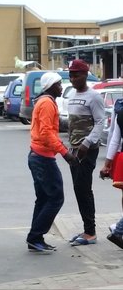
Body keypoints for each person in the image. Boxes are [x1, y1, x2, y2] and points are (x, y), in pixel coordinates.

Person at [26, 72, 76, 253]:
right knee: (56, 198)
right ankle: (35, 236)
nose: (61, 87)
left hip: (37, 155)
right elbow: (47, 133)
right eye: (59, 84)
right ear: (50, 86)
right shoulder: (47, 103)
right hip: (42, 158)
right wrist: (65, 153)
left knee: (44, 199)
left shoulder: (43, 101)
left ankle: (35, 238)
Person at [67, 59, 105, 246]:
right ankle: (86, 228)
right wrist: (70, 148)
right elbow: (73, 125)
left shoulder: (94, 97)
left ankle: (91, 232)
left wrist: (86, 144)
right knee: (78, 189)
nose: (73, 78)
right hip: (74, 149)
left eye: (76, 75)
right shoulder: (72, 95)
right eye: (71, 75)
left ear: (85, 75)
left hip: (87, 151)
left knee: (84, 189)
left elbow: (100, 122)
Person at [100, 105, 123, 248]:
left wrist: (107, 164)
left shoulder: (121, 112)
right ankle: (117, 230)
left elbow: (114, 139)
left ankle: (118, 229)